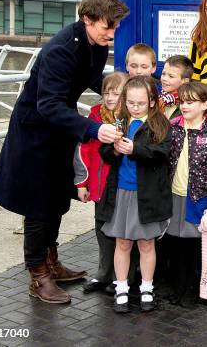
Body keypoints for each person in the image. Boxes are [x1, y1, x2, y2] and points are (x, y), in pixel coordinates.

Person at [0, 0, 129, 304]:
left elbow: (93, 79)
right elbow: (48, 105)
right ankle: (38, 276)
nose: (112, 32)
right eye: (108, 26)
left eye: (115, 26)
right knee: (38, 206)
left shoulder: (93, 44)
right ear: (87, 19)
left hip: (59, 131)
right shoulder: (61, 50)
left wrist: (123, 90)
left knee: (55, 199)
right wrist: (95, 129)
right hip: (36, 136)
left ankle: (52, 262)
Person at [97, 76, 172, 313]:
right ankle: (121, 288)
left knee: (147, 243)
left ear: (151, 102)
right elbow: (105, 154)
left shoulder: (160, 124)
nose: (135, 107)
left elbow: (163, 153)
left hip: (147, 195)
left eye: (140, 103)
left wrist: (135, 149)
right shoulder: (119, 122)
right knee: (122, 242)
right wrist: (114, 150)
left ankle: (146, 288)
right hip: (121, 192)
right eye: (130, 102)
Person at [164, 81, 207, 301]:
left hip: (198, 198)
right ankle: (176, 288)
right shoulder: (172, 127)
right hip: (174, 195)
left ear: (204, 105)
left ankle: (193, 291)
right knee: (174, 242)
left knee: (194, 245)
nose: (184, 106)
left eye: (190, 102)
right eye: (182, 101)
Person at [74, 72, 128, 295]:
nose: (109, 97)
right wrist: (82, 184)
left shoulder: (130, 117)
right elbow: (83, 151)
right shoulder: (95, 116)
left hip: (123, 184)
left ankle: (122, 277)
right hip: (99, 184)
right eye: (106, 92)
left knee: (123, 231)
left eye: (115, 93)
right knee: (102, 228)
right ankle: (103, 272)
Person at [159, 55, 193, 120]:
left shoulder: (189, 105)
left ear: (185, 81)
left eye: (171, 76)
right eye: (163, 74)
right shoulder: (159, 98)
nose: (164, 78)